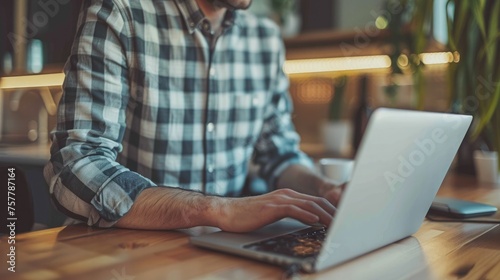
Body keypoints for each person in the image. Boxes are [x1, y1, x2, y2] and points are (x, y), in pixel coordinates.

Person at [44, 0, 342, 232]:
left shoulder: (265, 40)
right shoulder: (120, 14)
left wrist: (322, 190)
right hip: (125, 254)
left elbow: (278, 154)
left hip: (222, 257)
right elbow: (76, 165)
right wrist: (216, 210)